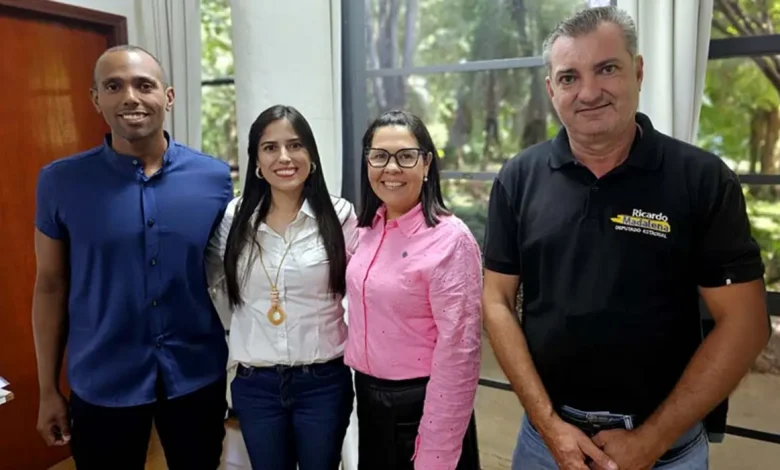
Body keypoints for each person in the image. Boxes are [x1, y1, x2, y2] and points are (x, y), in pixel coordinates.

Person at [481, 6, 770, 470]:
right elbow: (496, 300)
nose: (589, 92)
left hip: (666, 450)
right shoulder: (519, 179)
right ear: (552, 89)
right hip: (545, 442)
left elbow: (746, 323)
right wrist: (549, 425)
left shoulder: (700, 180)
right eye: (570, 77)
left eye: (607, 69)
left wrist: (651, 441)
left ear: (638, 71)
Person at [32, 45, 233, 470]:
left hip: (196, 375)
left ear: (169, 96)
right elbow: (50, 284)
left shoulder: (213, 178)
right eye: (113, 86)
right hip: (102, 379)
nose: (130, 97)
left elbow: (227, 274)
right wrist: (48, 389)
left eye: (144, 85)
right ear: (96, 99)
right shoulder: (60, 182)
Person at [207, 105, 357, 470]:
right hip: (255, 385)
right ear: (256, 160)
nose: (284, 157)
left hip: (323, 382)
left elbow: (365, 287)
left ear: (312, 156)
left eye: (295, 145)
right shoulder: (234, 217)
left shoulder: (340, 216)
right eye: (270, 147)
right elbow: (213, 280)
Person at [344, 110, 483, 470]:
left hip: (422, 406)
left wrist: (435, 454)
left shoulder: (451, 240)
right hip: (371, 399)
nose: (391, 168)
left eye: (405, 156)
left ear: (426, 165)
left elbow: (460, 353)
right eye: (379, 156)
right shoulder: (367, 230)